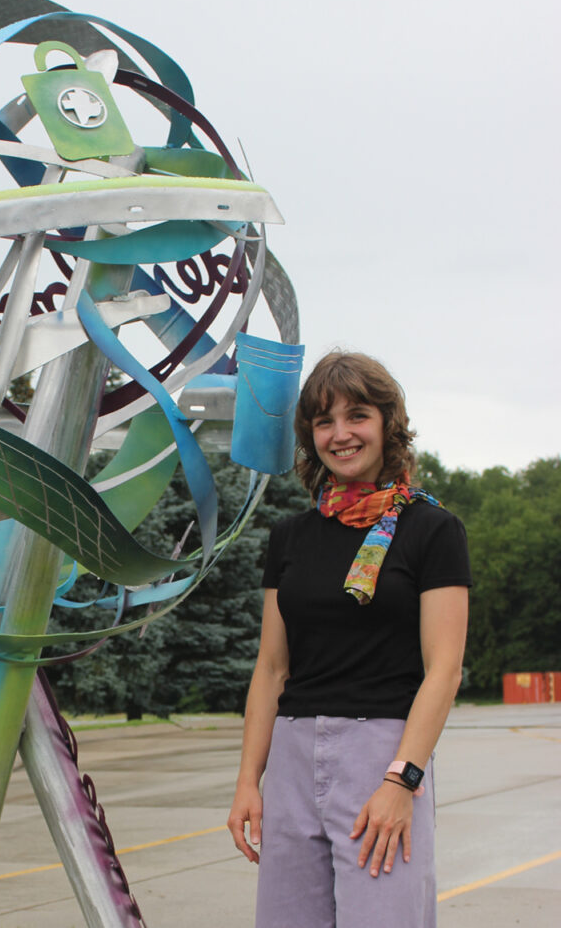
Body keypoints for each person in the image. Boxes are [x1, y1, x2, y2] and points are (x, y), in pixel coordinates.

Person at [227, 351, 470, 928]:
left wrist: (401, 781)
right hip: (289, 759)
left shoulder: (433, 531)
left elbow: (445, 671)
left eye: (356, 416)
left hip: (382, 756)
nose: (341, 434)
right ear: (310, 437)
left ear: (388, 423)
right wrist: (247, 782)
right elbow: (271, 670)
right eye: (323, 421)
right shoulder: (290, 537)